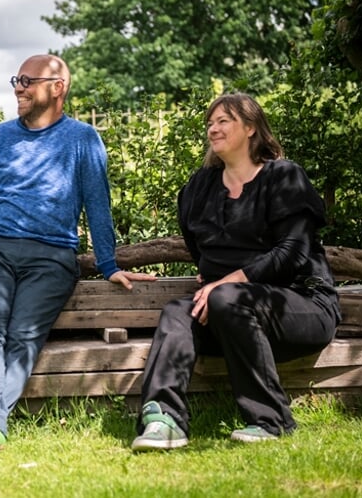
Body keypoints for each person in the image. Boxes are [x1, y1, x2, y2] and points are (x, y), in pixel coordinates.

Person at [0, 54, 156, 453]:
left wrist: (109, 264)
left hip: (52, 257)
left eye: (28, 80)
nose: (18, 87)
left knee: (23, 336)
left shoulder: (82, 139)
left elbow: (97, 204)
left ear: (57, 87)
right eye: (17, 79)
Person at [131, 93, 341, 451]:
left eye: (223, 120)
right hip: (231, 315)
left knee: (227, 297)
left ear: (251, 128)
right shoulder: (200, 187)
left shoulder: (283, 177)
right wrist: (217, 284)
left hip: (301, 307)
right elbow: (200, 249)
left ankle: (271, 420)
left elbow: (293, 253)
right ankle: (163, 419)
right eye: (210, 122)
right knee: (177, 313)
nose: (213, 128)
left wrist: (227, 282)